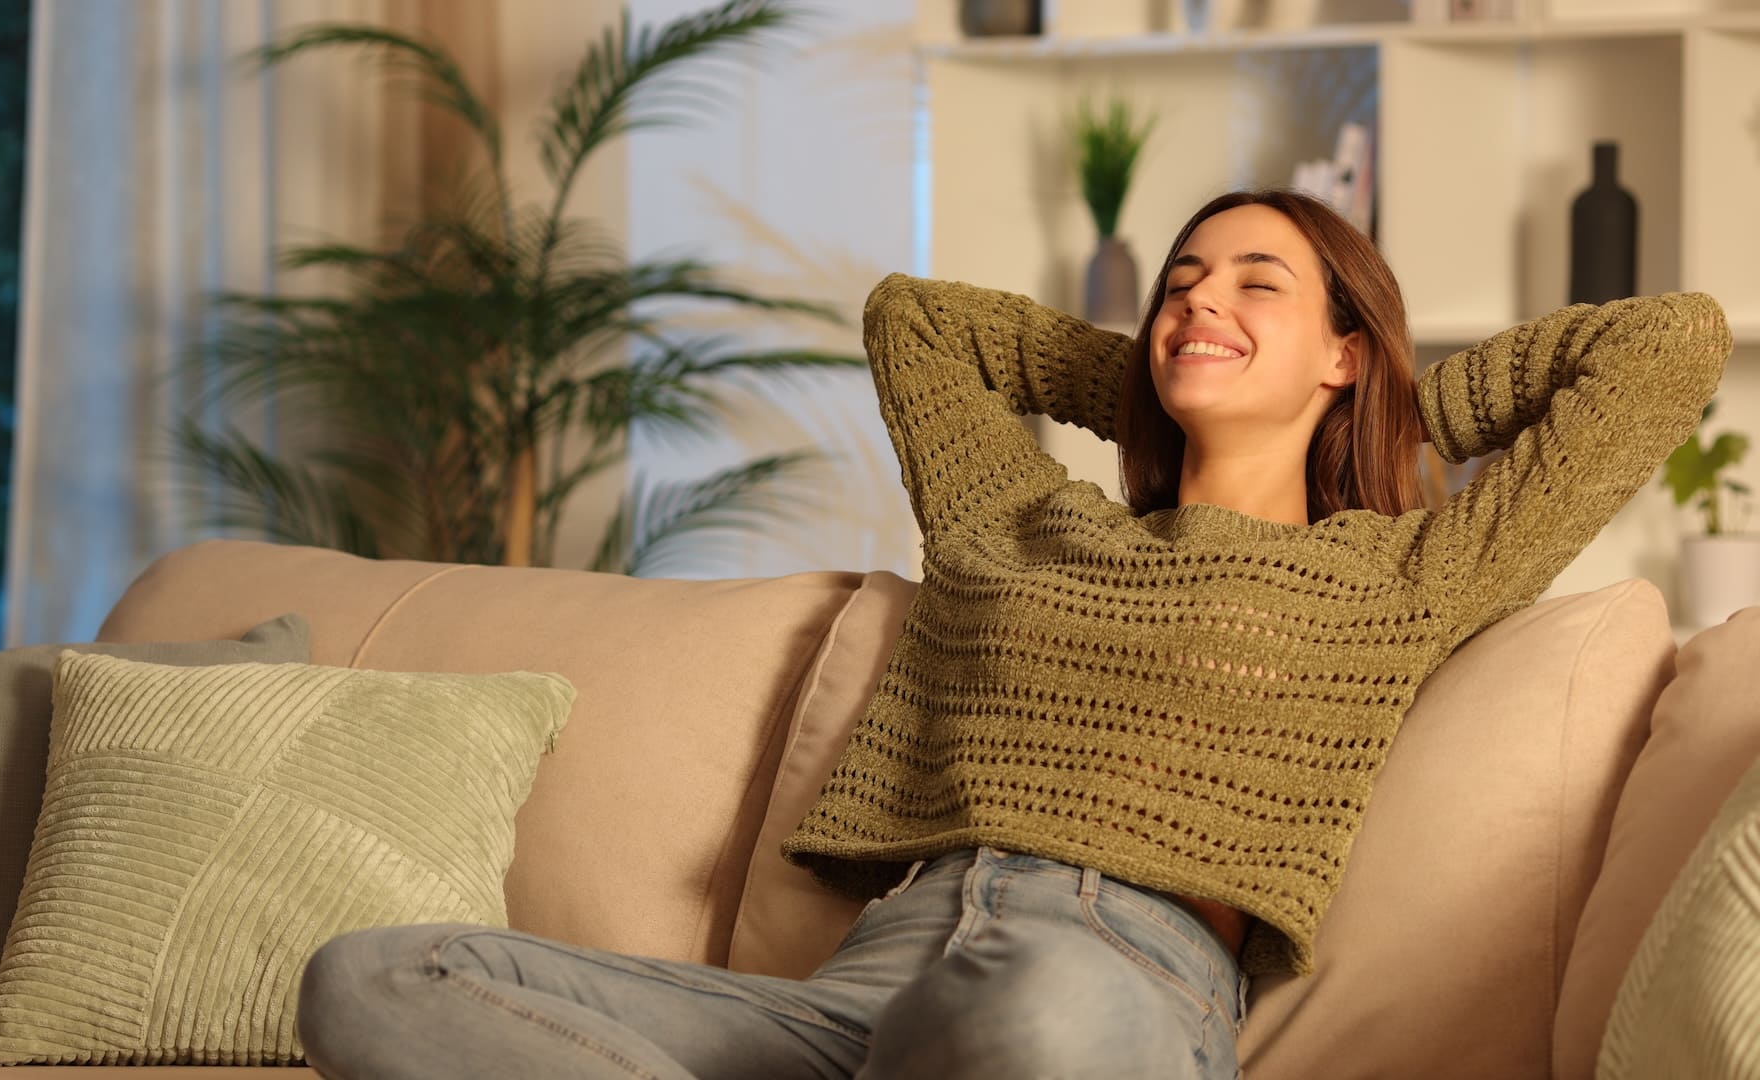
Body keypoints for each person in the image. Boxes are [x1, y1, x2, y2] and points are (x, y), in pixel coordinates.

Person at [293, 188, 1733, 1079]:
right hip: (867, 984)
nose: (1199, 299)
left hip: (1108, 974)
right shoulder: (1017, 522)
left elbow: (1667, 343)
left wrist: (1395, 401)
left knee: (1025, 1021)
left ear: (1343, 350)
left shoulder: (1399, 573)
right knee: (379, 980)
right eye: (1180, 284)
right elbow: (915, 322)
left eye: (1256, 283)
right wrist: (1163, 375)